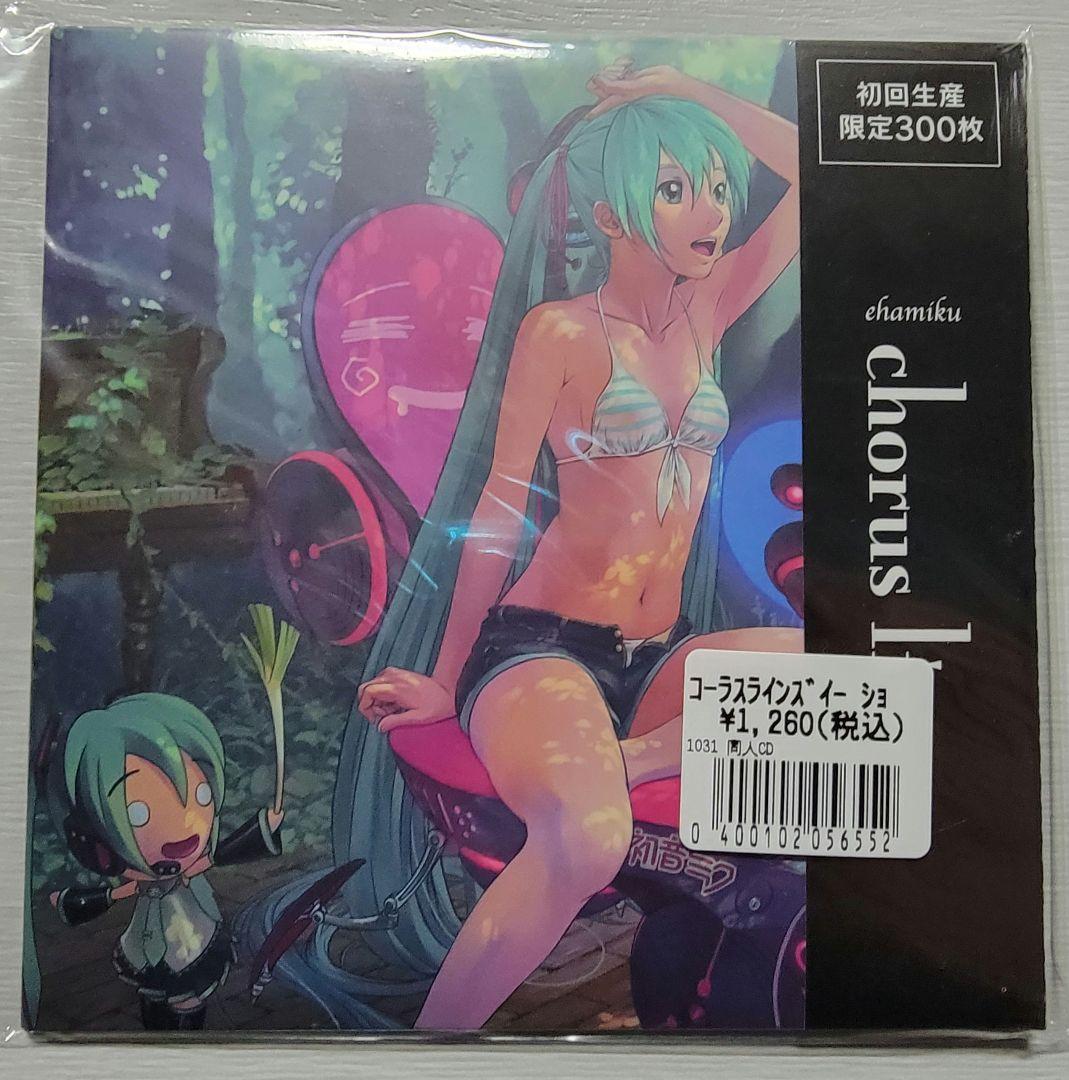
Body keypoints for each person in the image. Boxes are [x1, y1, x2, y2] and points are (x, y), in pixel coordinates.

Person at [330, 59, 801, 1031]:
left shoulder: (709, 311)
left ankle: (642, 760)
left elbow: (817, 171)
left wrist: (686, 91)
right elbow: (500, 508)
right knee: (585, 840)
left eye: (717, 187)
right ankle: (431, 1046)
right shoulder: (558, 334)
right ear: (613, 214)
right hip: (544, 650)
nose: (709, 211)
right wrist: (448, 678)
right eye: (674, 189)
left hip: (660, 654)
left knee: (860, 678)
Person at [49, 693, 284, 1030]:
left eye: (201, 794)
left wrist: (264, 827)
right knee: (154, 989)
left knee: (187, 992)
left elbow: (214, 857)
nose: (183, 827)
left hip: (190, 930)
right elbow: (123, 891)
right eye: (138, 813)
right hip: (148, 933)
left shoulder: (191, 867)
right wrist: (81, 901)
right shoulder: (130, 869)